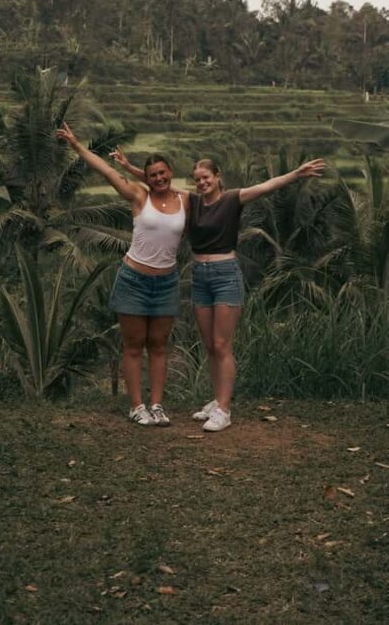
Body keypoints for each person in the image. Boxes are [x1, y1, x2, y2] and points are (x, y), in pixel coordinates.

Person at [110, 147, 326, 432]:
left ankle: (224, 409)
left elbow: (265, 187)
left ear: (217, 176)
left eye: (206, 177)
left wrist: (296, 175)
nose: (201, 183)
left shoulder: (233, 199)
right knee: (210, 345)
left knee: (222, 344)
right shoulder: (192, 201)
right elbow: (158, 182)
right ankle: (216, 400)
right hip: (200, 275)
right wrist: (129, 167)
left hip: (226, 275)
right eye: (197, 179)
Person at [56, 123, 187, 426]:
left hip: (166, 282)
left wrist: (135, 168)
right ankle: (136, 406)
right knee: (133, 344)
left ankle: (156, 404)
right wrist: (77, 145)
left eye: (163, 173)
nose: (159, 178)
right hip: (134, 280)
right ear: (147, 178)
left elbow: (214, 197)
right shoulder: (139, 197)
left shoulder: (185, 201)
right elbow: (108, 173)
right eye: (153, 174)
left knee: (158, 344)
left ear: (171, 171)